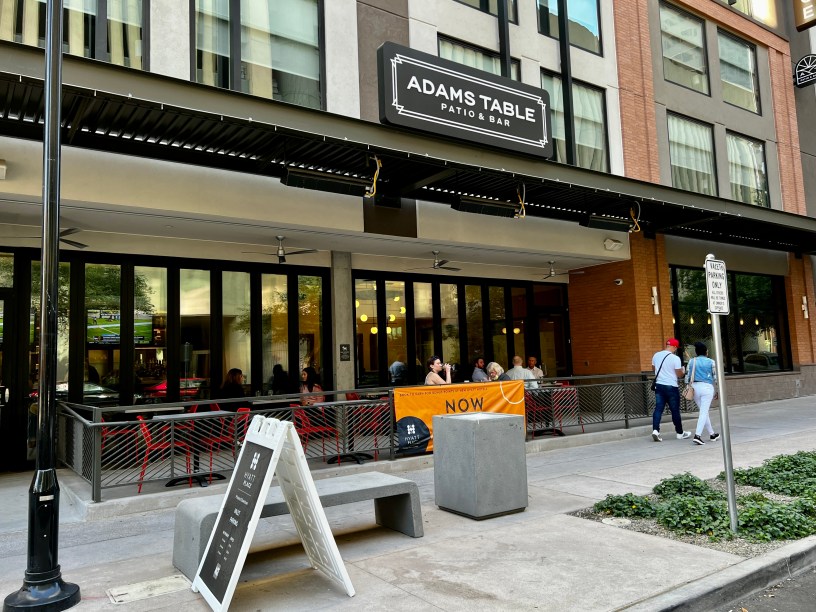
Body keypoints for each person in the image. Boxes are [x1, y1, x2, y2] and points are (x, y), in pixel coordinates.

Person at [651, 338, 690, 442]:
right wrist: (683, 371)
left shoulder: (656, 355)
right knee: (675, 410)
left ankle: (655, 430)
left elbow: (653, 369)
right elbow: (679, 374)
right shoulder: (675, 358)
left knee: (658, 409)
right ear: (675, 347)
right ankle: (680, 433)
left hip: (659, 386)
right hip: (671, 386)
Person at [686, 342, 720, 446]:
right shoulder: (711, 362)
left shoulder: (692, 361)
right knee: (703, 412)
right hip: (707, 387)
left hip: (695, 387)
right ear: (706, 352)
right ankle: (697, 436)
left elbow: (687, 376)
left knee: (703, 412)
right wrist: (717, 389)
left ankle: (712, 434)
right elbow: (716, 377)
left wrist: (688, 386)